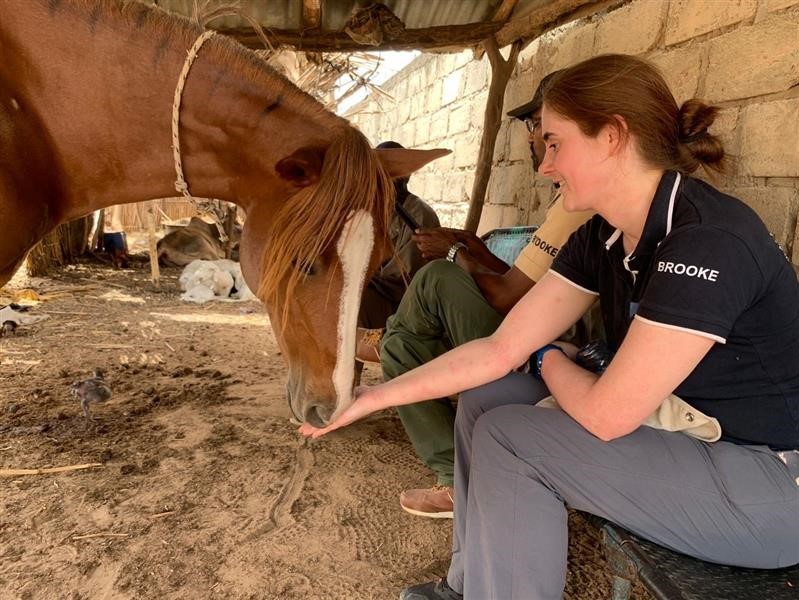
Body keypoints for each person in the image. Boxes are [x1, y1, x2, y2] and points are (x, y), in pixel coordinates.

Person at [301, 54, 799, 600]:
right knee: (490, 394)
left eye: (555, 143)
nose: (544, 166)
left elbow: (608, 415)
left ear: (611, 136)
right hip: (688, 436)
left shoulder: (706, 240)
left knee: (514, 440)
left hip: (768, 485)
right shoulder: (603, 235)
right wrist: (369, 399)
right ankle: (468, 585)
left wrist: (548, 358)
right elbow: (499, 348)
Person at [368, 72, 595, 519]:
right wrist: (476, 249)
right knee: (407, 337)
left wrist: (454, 253)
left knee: (436, 279)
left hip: (554, 349)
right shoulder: (566, 204)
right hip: (545, 330)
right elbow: (527, 283)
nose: (538, 150)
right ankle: (393, 342)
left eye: (544, 134)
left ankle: (455, 476)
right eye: (538, 134)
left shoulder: (577, 207)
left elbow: (512, 297)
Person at [357, 141, 441, 331]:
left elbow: (401, 280)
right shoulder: (371, 211)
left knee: (355, 303)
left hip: (405, 307)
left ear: (405, 177)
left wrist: (362, 278)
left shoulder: (420, 214)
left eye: (394, 173)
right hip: (376, 292)